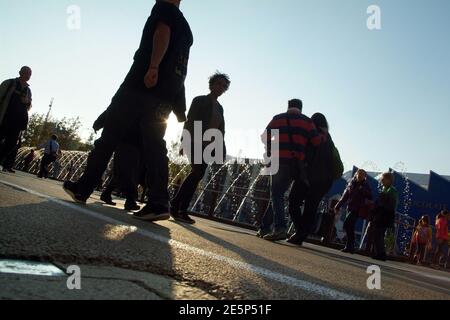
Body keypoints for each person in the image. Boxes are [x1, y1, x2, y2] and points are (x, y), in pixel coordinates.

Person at [63, 0, 193, 223]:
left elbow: (162, 32)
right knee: (154, 147)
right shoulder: (187, 29)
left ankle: (83, 188)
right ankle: (159, 202)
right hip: (164, 96)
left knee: (109, 138)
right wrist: (178, 105)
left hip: (138, 87)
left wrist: (153, 66)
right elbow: (180, 70)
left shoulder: (164, 9)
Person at [170, 72, 230, 224]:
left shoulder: (220, 108)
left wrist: (221, 149)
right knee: (197, 172)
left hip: (208, 147)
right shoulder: (199, 100)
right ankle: (179, 207)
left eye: (224, 86)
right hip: (194, 141)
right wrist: (184, 140)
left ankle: (178, 206)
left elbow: (220, 130)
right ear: (211, 84)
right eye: (218, 84)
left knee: (197, 174)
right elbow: (190, 121)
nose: (221, 88)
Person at [259, 99, 322, 241]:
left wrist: (272, 147)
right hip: (295, 166)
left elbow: (264, 137)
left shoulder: (278, 118)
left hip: (277, 162)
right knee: (277, 195)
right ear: (301, 108)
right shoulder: (307, 121)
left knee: (276, 194)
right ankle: (264, 227)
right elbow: (317, 141)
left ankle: (280, 228)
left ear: (288, 107)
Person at [287, 113, 342, 246]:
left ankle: (301, 231)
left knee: (293, 202)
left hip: (307, 177)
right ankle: (302, 233)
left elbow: (303, 154)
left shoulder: (310, 134)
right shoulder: (329, 140)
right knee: (311, 207)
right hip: (324, 181)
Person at [93, 108, 143, 212]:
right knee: (130, 171)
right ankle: (130, 200)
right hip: (131, 139)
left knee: (121, 171)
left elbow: (115, 106)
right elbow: (115, 106)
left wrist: (99, 122)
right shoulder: (141, 97)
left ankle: (107, 194)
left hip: (129, 139)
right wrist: (100, 122)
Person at [332, 169, 372, 253]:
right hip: (350, 208)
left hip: (358, 209)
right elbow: (345, 196)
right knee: (349, 226)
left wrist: (363, 190)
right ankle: (349, 246)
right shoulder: (351, 184)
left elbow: (370, 196)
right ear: (356, 174)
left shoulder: (365, 185)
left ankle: (350, 246)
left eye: (363, 174)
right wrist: (337, 206)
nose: (360, 175)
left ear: (365, 177)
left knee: (347, 224)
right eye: (359, 173)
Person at [0, 66, 32, 168]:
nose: (28, 75)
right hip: (4, 117)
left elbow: (29, 106)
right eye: (26, 73)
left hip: (17, 122)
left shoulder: (28, 90)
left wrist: (27, 102)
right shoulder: (9, 83)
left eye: (29, 74)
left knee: (11, 144)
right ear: (20, 72)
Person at [371, 172, 399, 261]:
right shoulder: (385, 189)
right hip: (382, 215)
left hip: (385, 216)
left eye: (383, 180)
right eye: (381, 180)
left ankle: (381, 254)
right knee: (377, 234)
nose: (381, 181)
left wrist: (382, 202)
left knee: (379, 233)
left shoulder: (392, 190)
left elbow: (392, 204)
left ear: (389, 180)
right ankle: (379, 253)